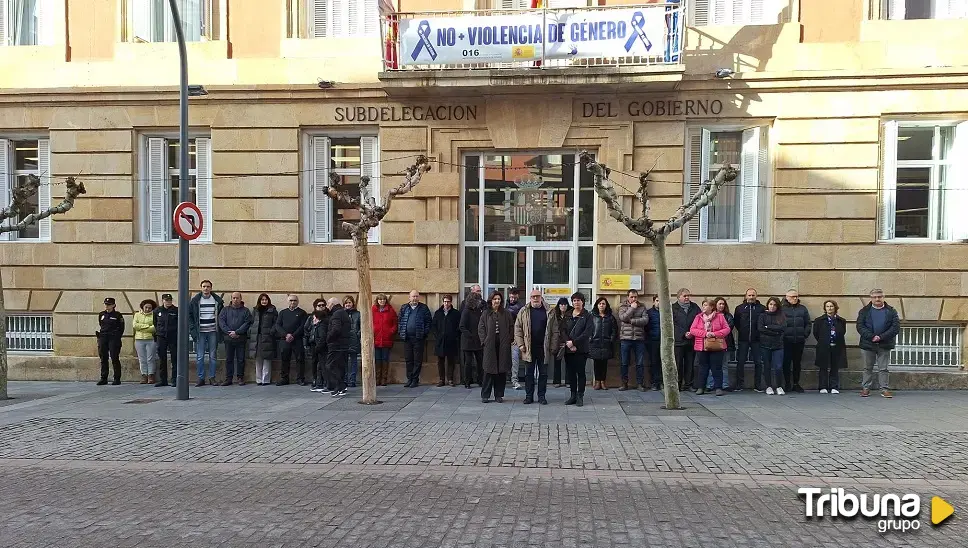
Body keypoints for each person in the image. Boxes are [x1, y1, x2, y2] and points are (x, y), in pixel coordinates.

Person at [856, 288, 900, 398]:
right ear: (871, 298)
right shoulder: (864, 311)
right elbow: (860, 326)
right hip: (868, 343)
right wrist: (872, 337)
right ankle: (866, 388)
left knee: (883, 368)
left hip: (884, 344)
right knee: (867, 368)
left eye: (879, 297)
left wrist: (880, 337)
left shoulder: (891, 311)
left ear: (883, 297)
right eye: (875, 297)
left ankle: (884, 389)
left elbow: (895, 328)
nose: (877, 299)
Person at [514, 289, 549, 405]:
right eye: (533, 296)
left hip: (543, 348)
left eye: (537, 296)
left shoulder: (549, 310)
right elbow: (517, 329)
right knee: (529, 374)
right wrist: (520, 344)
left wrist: (552, 346)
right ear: (530, 298)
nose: (535, 298)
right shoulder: (523, 311)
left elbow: (554, 330)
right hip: (528, 349)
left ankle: (541, 396)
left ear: (541, 297)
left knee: (543, 374)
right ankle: (529, 396)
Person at [690, 298, 731, 396]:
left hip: (716, 346)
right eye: (703, 305)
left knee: (716, 367)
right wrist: (705, 333)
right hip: (702, 346)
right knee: (703, 367)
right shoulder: (698, 317)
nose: (704, 307)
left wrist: (714, 334)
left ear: (712, 307)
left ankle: (718, 387)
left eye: (706, 305)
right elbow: (692, 330)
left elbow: (727, 329)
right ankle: (701, 387)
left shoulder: (720, 317)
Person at [478, 291, 513, 403]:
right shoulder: (486, 313)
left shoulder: (506, 313)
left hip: (503, 344)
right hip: (490, 345)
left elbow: (511, 327)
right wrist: (484, 341)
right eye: (495, 299)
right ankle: (485, 395)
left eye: (498, 299)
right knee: (489, 370)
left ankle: (499, 395)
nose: (497, 301)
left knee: (501, 371)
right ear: (491, 301)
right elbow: (481, 328)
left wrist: (509, 339)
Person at [561, 292, 594, 407]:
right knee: (570, 373)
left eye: (578, 300)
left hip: (581, 349)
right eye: (574, 300)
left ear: (582, 302)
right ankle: (573, 395)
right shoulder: (568, 314)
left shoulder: (587, 315)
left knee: (580, 373)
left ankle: (580, 396)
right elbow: (563, 330)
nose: (576, 302)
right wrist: (568, 342)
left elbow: (587, 333)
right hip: (569, 349)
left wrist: (574, 342)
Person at [188, 280, 224, 387]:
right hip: (200, 332)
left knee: (213, 356)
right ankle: (201, 378)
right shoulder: (195, 301)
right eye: (204, 286)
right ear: (201, 288)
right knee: (200, 356)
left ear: (211, 288)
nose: (206, 288)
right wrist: (193, 330)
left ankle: (212, 378)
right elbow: (190, 316)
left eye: (208, 286)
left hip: (213, 331)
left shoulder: (217, 300)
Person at [398, 290, 432, 388]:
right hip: (407, 338)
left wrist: (424, 333)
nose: (415, 298)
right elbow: (400, 321)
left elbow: (428, 322)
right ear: (409, 297)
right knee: (408, 359)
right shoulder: (404, 308)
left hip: (418, 338)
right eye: (413, 296)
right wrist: (401, 332)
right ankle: (409, 378)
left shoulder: (423, 308)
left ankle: (415, 379)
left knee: (417, 360)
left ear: (419, 297)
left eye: (416, 296)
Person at [733, 288, 765, 392]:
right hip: (743, 339)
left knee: (758, 362)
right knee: (740, 362)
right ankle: (739, 384)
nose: (751, 297)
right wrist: (743, 331)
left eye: (753, 295)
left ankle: (758, 385)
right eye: (749, 295)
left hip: (757, 340)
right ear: (746, 296)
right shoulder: (739, 308)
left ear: (756, 296)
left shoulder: (762, 308)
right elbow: (736, 322)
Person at [617, 289, 649, 391]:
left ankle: (640, 383)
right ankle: (624, 383)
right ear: (628, 297)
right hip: (625, 338)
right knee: (624, 362)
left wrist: (632, 321)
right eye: (632, 297)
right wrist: (631, 308)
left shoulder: (642, 307)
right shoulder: (623, 306)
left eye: (635, 297)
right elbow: (622, 317)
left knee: (639, 362)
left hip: (639, 338)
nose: (634, 299)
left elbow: (645, 320)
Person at [218, 292, 252, 386]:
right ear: (231, 299)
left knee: (241, 359)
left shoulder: (246, 311)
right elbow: (221, 322)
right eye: (233, 298)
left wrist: (237, 332)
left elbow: (247, 323)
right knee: (229, 359)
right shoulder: (225, 310)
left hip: (241, 338)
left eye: (237, 298)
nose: (235, 300)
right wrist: (230, 332)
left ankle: (240, 378)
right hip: (228, 339)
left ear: (241, 298)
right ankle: (228, 378)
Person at [813, 300, 846, 395]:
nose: (829, 308)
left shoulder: (841, 320)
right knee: (823, 367)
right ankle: (823, 386)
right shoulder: (819, 320)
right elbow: (816, 333)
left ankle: (834, 386)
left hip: (836, 346)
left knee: (835, 367)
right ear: (825, 308)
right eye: (827, 306)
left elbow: (842, 332)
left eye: (831, 306)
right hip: (824, 346)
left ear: (835, 307)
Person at [274, 294, 308, 386]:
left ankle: (300, 378)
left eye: (295, 300)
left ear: (298, 302)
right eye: (291, 300)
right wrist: (286, 335)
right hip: (284, 340)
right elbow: (277, 325)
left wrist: (293, 335)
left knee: (300, 359)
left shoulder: (302, 313)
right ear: (288, 301)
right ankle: (284, 378)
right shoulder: (282, 313)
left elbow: (303, 326)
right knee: (284, 359)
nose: (293, 302)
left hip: (297, 340)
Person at [781, 289, 811, 393]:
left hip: (799, 340)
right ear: (787, 297)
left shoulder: (802, 309)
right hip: (786, 341)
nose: (795, 298)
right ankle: (787, 383)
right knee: (786, 363)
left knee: (797, 363)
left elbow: (808, 323)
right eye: (793, 297)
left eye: (796, 296)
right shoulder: (782, 309)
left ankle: (796, 383)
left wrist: (804, 334)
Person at [672, 288, 701, 391]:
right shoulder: (673, 308)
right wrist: (683, 334)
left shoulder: (695, 307)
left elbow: (699, 321)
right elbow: (672, 325)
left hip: (691, 340)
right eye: (684, 296)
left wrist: (692, 333)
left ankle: (689, 384)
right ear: (679, 297)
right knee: (678, 363)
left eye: (688, 295)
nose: (687, 297)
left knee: (690, 363)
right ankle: (678, 384)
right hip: (678, 341)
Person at [759, 297, 786, 395]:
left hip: (778, 345)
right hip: (765, 344)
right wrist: (775, 331)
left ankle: (779, 386)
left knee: (778, 366)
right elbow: (761, 328)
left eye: (774, 305)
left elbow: (782, 328)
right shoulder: (762, 316)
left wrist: (769, 327)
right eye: (770, 304)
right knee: (767, 366)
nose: (772, 306)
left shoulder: (781, 316)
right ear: (767, 305)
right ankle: (768, 386)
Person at [589, 297, 618, 390]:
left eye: (603, 304)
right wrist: (590, 338)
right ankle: (597, 381)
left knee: (604, 363)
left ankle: (603, 382)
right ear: (597, 305)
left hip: (606, 343)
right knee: (597, 363)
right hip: (595, 343)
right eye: (600, 304)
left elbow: (614, 329)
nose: (601, 305)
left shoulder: (610, 317)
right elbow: (587, 328)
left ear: (606, 305)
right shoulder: (592, 316)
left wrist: (611, 339)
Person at [432, 294, 461, 387]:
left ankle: (450, 379)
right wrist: (437, 336)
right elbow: (434, 326)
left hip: (451, 341)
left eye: (448, 301)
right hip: (440, 341)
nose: (446, 303)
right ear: (442, 302)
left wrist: (454, 336)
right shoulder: (438, 313)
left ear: (451, 302)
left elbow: (459, 327)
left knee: (451, 361)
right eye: (444, 301)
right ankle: (441, 379)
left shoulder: (456, 313)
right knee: (440, 361)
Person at [707, 298, 735, 391]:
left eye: (723, 304)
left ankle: (724, 384)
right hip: (713, 343)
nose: (721, 306)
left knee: (724, 365)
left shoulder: (728, 316)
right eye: (719, 304)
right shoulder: (710, 316)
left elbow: (728, 328)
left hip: (726, 343)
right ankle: (711, 384)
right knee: (712, 365)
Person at [250, 293, 278, 386]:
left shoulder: (272, 310)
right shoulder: (255, 310)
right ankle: (258, 379)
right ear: (259, 301)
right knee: (258, 359)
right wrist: (251, 331)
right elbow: (252, 322)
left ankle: (265, 379)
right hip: (257, 336)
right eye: (262, 300)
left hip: (268, 337)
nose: (264, 301)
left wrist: (271, 331)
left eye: (266, 299)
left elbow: (276, 323)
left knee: (267, 358)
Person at [96, 297, 124, 386]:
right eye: (106, 304)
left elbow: (121, 328)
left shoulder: (117, 315)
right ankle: (104, 378)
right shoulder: (102, 314)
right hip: (103, 337)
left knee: (114, 357)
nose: (107, 306)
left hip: (113, 338)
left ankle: (117, 378)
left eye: (109, 304)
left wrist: (116, 336)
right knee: (103, 357)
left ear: (113, 305)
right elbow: (101, 324)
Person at [326, 298, 351, 397]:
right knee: (340, 366)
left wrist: (328, 338)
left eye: (328, 303)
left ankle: (339, 385)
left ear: (332, 304)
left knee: (330, 366)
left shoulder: (336, 314)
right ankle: (342, 387)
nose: (327, 306)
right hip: (344, 344)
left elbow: (336, 329)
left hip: (336, 345)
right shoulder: (344, 313)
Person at [460, 291, 485, 389]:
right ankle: (467, 381)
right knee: (468, 363)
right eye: (478, 300)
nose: (480, 302)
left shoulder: (479, 310)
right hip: (468, 342)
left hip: (478, 341)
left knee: (480, 362)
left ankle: (480, 380)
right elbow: (462, 326)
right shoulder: (466, 311)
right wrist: (470, 335)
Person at [372, 294, 397, 386]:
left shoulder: (390, 310)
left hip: (387, 338)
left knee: (385, 359)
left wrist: (391, 331)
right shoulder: (373, 310)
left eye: (383, 299)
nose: (382, 301)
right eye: (380, 299)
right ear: (377, 300)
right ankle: (377, 378)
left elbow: (395, 323)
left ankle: (384, 379)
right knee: (377, 359)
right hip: (376, 338)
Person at [306, 298, 330, 392]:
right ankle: (316, 380)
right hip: (313, 342)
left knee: (323, 364)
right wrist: (307, 342)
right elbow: (306, 329)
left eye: (323, 305)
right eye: (319, 305)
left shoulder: (327, 317)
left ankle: (323, 382)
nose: (321, 307)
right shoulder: (311, 317)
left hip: (322, 344)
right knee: (314, 362)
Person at [133, 299, 158, 385]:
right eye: (146, 307)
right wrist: (148, 326)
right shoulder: (137, 315)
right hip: (139, 339)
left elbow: (154, 328)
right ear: (142, 307)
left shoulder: (154, 315)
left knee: (150, 358)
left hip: (151, 339)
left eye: (150, 308)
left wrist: (142, 327)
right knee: (142, 359)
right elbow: (135, 326)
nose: (147, 309)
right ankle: (144, 375)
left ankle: (151, 375)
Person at [506, 288, 525, 389]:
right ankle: (506, 377)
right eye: (511, 296)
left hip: (515, 338)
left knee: (515, 359)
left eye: (514, 296)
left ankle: (514, 380)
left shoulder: (520, 307)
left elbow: (519, 325)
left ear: (518, 296)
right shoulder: (506, 304)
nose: (512, 298)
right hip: (505, 337)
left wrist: (516, 338)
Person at [549, 298, 570, 388]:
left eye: (565, 305)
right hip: (557, 341)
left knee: (569, 363)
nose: (563, 306)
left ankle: (568, 381)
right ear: (558, 305)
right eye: (561, 305)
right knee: (557, 362)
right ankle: (556, 381)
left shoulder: (570, 314)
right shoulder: (555, 314)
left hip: (568, 341)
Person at [343, 296, 362, 388]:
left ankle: (352, 379)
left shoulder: (358, 314)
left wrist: (357, 334)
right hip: (344, 340)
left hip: (354, 340)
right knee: (344, 361)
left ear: (353, 303)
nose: (348, 304)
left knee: (354, 361)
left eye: (349, 302)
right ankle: (345, 379)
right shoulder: (342, 314)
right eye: (346, 303)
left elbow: (361, 326)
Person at [646, 295, 662, 391]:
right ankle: (655, 382)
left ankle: (662, 382)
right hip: (653, 340)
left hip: (665, 341)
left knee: (664, 362)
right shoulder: (649, 313)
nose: (659, 302)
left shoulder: (668, 312)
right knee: (654, 362)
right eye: (657, 300)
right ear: (653, 302)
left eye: (661, 300)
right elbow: (646, 327)